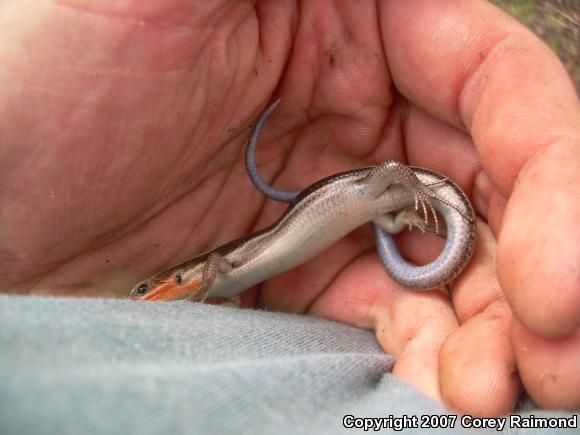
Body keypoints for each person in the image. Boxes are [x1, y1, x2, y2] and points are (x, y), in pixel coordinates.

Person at [0, 0, 578, 417]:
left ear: (186, 278)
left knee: (395, 192)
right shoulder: (217, 283)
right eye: (152, 295)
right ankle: (396, 223)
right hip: (364, 213)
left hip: (378, 191)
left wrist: (408, 194)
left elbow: (210, 275)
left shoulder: (215, 271)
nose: (162, 294)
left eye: (157, 290)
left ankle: (404, 211)